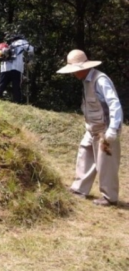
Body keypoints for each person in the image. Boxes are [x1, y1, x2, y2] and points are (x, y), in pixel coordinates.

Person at [57, 49, 123, 206]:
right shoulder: (86, 81)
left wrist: (113, 129)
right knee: (84, 154)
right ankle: (80, 189)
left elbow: (114, 104)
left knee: (106, 162)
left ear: (84, 68)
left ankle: (109, 197)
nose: (74, 74)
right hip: (92, 128)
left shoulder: (100, 80)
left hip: (105, 129)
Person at [0, 33, 34, 103]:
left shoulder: (9, 45)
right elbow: (31, 49)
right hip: (16, 68)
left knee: (1, 84)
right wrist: (29, 60)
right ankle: (17, 102)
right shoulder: (23, 42)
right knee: (16, 86)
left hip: (5, 68)